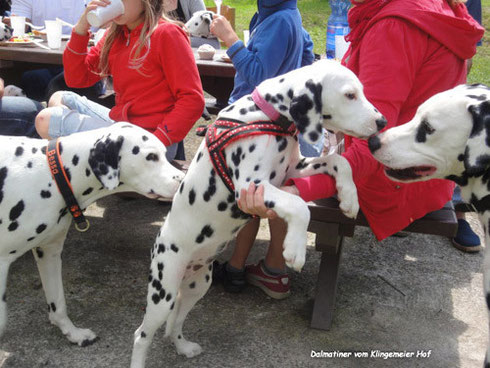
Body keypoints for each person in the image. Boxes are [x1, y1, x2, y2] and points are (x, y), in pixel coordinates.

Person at [236, 0, 484, 280]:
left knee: (273, 170)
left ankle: (270, 269)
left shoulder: (394, 26)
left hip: (391, 179)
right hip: (427, 181)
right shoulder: (430, 7)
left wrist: (294, 191)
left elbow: (373, 141)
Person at [209, 0, 317, 298]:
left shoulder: (280, 19)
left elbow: (258, 75)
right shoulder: (278, 13)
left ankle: (236, 268)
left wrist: (230, 39)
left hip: (256, 123)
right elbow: (307, 52)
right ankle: (248, 268)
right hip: (271, 121)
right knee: (262, 194)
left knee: (250, 196)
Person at [34, 0, 204, 162]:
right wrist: (81, 27)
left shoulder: (167, 33)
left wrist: (156, 141)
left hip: (151, 142)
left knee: (45, 120)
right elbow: (76, 78)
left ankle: (93, 162)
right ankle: (95, 160)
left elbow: (192, 99)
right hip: (123, 126)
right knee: (60, 97)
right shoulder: (116, 35)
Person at [6, 0, 103, 102]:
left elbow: (110, 25)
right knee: (30, 77)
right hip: (39, 61)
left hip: (87, 63)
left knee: (57, 81)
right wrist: (11, 24)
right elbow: (19, 23)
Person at [451, 0, 483, 252]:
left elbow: (469, 49)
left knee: (456, 127)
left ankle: (457, 212)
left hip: (447, 65)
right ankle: (401, 202)